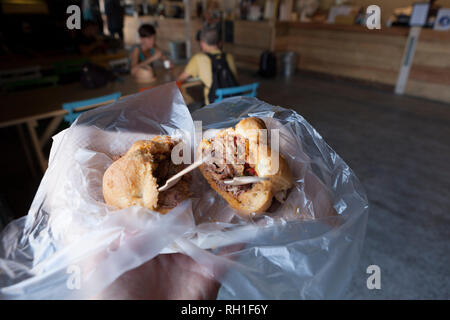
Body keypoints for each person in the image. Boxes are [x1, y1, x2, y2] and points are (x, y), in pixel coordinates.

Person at [177, 26, 238, 105]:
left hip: (214, 105)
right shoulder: (229, 56)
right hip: (233, 102)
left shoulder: (198, 58)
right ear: (218, 42)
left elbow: (180, 78)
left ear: (202, 43)